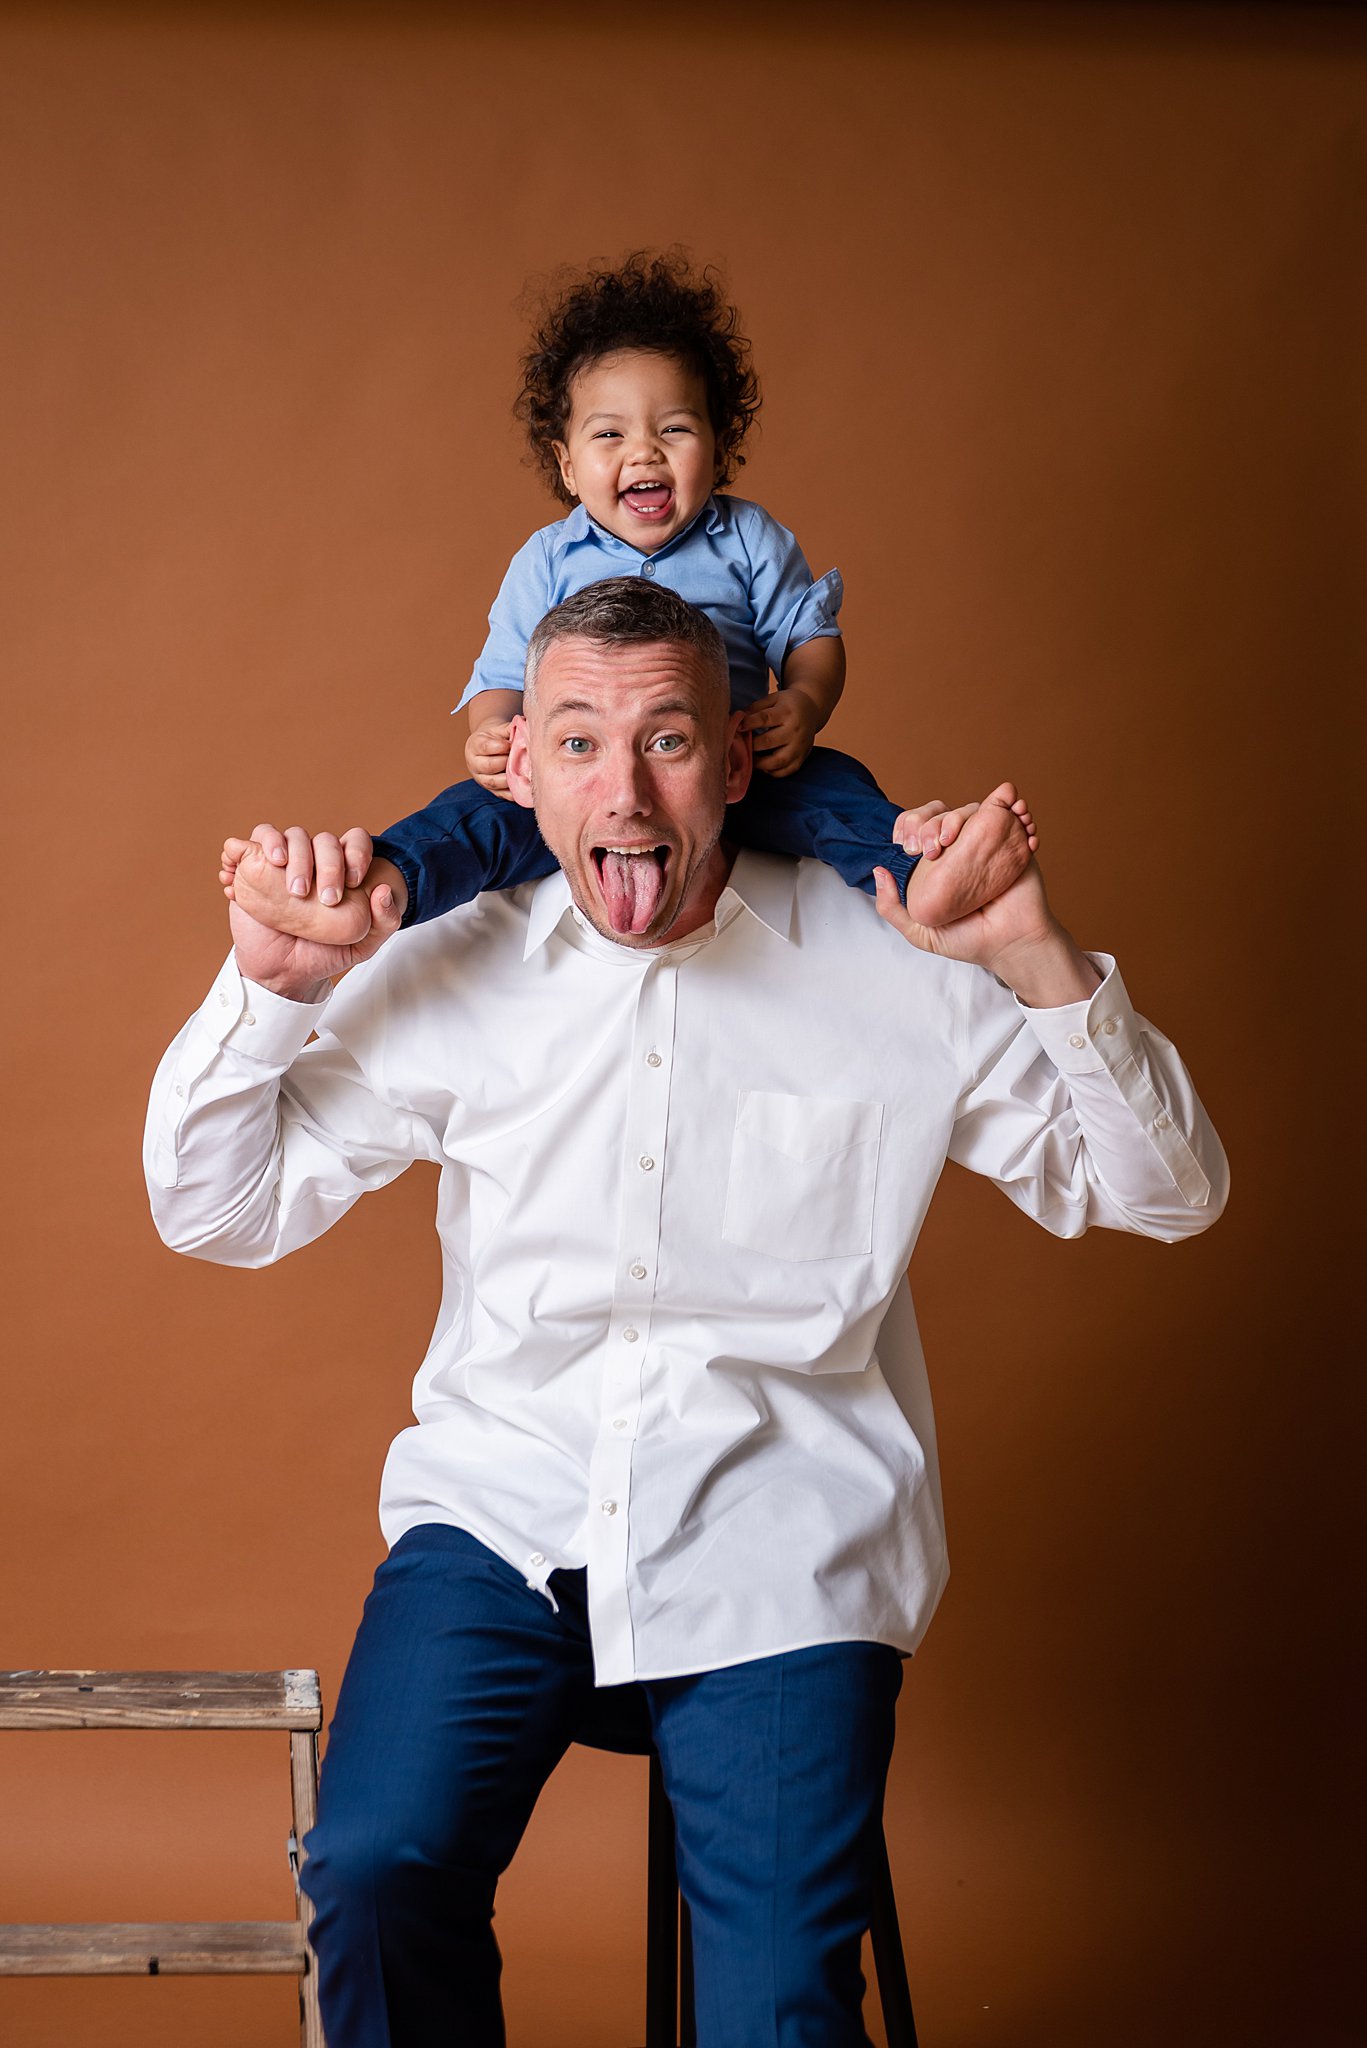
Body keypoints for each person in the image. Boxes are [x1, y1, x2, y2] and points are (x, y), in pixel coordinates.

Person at [145, 579, 1227, 2047]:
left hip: (778, 1539)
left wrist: (1036, 956)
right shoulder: (448, 967)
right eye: (581, 743)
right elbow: (213, 1207)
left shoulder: (892, 958)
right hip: (505, 1517)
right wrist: (267, 993)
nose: (627, 790)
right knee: (373, 1863)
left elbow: (1166, 1190)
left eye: (667, 739)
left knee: (775, 2007)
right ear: (518, 767)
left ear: (736, 758)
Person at [217, 249, 1030, 944]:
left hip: (739, 762)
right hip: (594, 785)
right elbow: (502, 672)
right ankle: (366, 894)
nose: (643, 449)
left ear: (718, 446)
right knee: (472, 820)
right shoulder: (545, 559)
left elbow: (809, 638)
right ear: (567, 465)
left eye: (673, 429)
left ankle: (927, 872)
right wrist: (495, 737)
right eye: (609, 434)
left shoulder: (750, 539)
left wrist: (806, 706)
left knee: (836, 796)